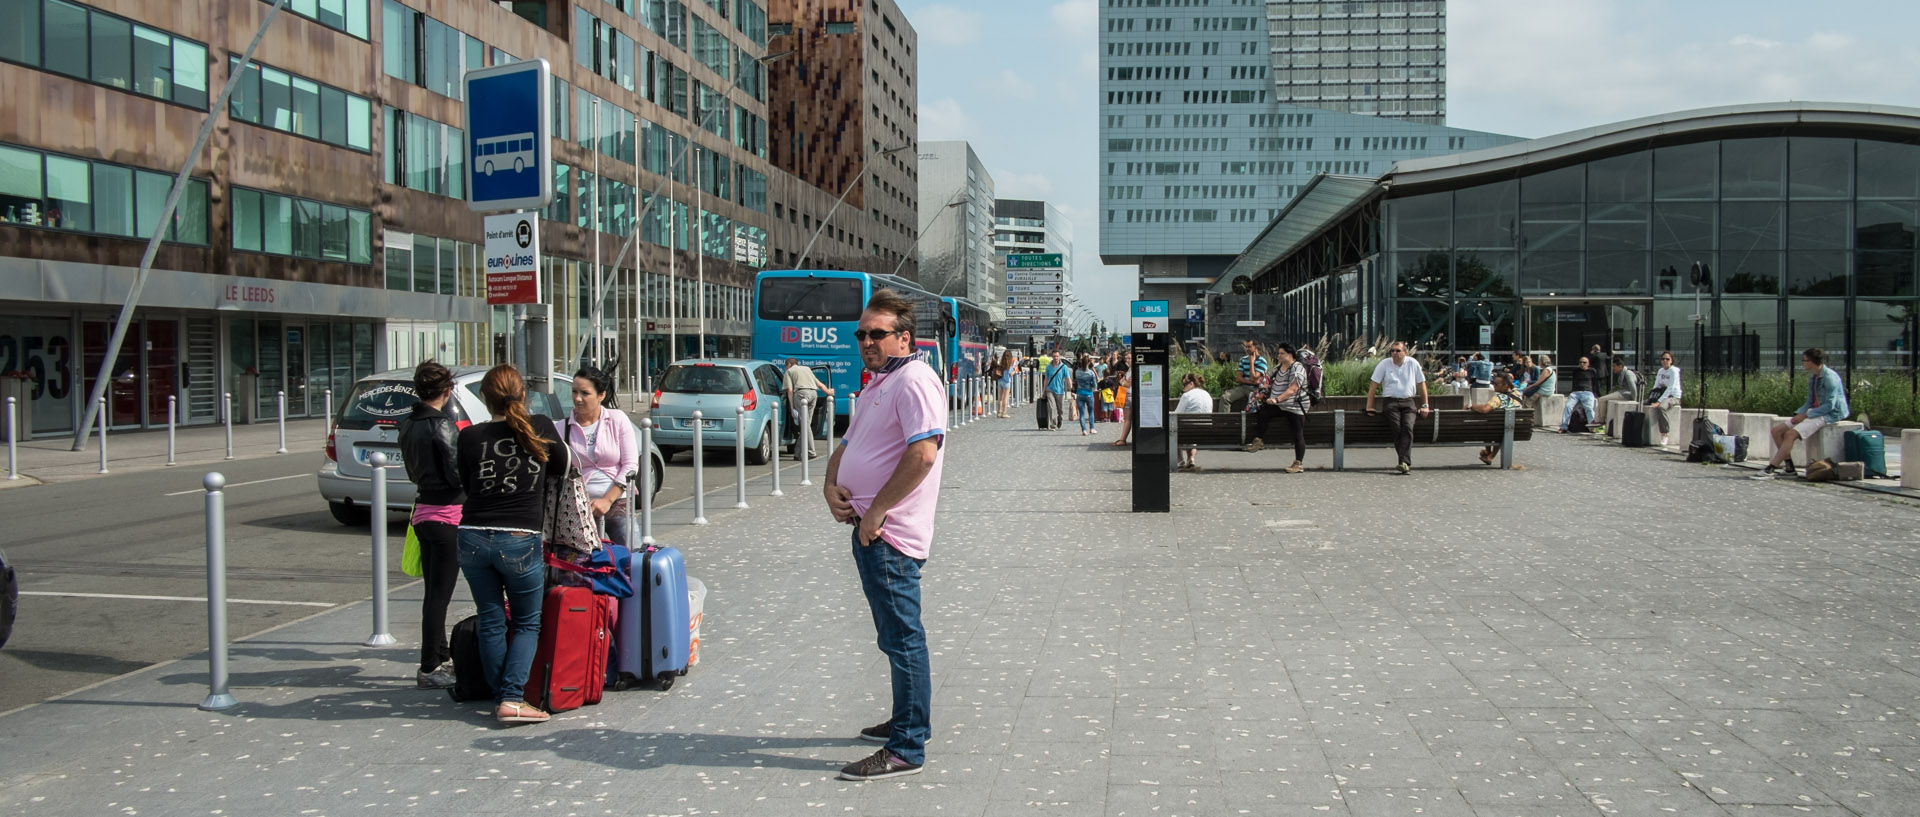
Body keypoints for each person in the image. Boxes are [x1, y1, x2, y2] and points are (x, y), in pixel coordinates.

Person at [821, 288, 946, 781]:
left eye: (877, 334)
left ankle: (907, 747)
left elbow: (923, 454)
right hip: (869, 529)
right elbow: (848, 444)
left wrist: (876, 513)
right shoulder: (878, 384)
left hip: (888, 534)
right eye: (861, 334)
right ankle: (909, 719)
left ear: (904, 338)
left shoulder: (914, 380)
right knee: (892, 636)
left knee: (902, 637)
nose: (867, 341)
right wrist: (831, 486)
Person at [455, 365, 569, 725]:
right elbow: (564, 467)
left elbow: (468, 484)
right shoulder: (540, 427)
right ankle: (511, 697)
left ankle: (498, 692)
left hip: (472, 533)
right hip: (519, 537)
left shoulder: (470, 437)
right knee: (526, 623)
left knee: (490, 619)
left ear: (484, 399)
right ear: (523, 395)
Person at [397, 360, 463, 690]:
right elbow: (456, 472)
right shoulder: (442, 425)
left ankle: (440, 654)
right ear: (447, 390)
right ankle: (430, 665)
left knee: (433, 592)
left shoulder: (408, 424)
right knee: (440, 595)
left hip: (423, 510)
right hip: (446, 513)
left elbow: (413, 470)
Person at [564, 366, 639, 546]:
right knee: (586, 562)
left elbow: (630, 465)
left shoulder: (617, 419)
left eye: (585, 393)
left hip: (617, 501)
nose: (577, 398)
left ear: (601, 395)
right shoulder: (563, 427)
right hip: (581, 506)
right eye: (574, 392)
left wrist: (607, 500)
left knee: (632, 555)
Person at [1753, 348, 1851, 479]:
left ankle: (1771, 468)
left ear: (1813, 362)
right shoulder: (1814, 376)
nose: (1803, 363)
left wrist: (1805, 415)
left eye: (1805, 360)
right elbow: (1810, 401)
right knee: (1777, 431)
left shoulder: (1830, 378)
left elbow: (1829, 405)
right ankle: (1789, 468)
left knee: (1790, 434)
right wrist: (1798, 414)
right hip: (1813, 411)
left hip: (1829, 414)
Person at [1364, 341, 1431, 475]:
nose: (1394, 353)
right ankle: (1405, 462)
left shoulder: (1412, 363)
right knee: (1397, 428)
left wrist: (1425, 405)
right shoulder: (1384, 364)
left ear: (1405, 352)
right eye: (1392, 351)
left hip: (1408, 402)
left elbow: (1422, 385)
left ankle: (1403, 462)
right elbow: (1373, 386)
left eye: (1397, 351)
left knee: (1407, 426)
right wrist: (1369, 407)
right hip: (1390, 402)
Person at [1243, 343, 1310, 474]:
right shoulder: (1278, 368)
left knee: (1298, 433)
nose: (1278, 356)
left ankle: (1298, 463)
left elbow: (1293, 389)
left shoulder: (1297, 368)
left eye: (1281, 353)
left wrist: (1277, 399)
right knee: (1263, 413)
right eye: (1278, 353)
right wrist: (1263, 393)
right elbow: (1267, 380)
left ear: (1290, 355)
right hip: (1280, 405)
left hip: (1294, 405)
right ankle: (1258, 440)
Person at [784, 358, 835, 457]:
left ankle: (811, 452)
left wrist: (791, 407)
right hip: (813, 394)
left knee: (805, 425)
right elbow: (820, 385)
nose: (785, 368)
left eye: (785, 366)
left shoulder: (789, 372)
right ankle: (798, 453)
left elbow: (790, 390)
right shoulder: (807, 369)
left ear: (789, 364)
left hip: (801, 395)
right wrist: (829, 392)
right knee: (806, 425)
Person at [1471, 372, 1526, 465]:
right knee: (1501, 427)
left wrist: (1471, 406)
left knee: (1491, 426)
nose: (1494, 385)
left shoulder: (1499, 398)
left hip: (1502, 429)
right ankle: (1490, 455)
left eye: (1496, 384)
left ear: (1505, 385)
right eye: (1493, 383)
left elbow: (1485, 409)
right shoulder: (1517, 393)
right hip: (1518, 428)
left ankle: (1489, 454)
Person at [1173, 373, 1213, 471]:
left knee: (1172, 429)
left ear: (1191, 383)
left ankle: (1180, 461)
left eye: (1184, 384)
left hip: (1189, 431)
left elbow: (1176, 414)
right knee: (1191, 429)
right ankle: (1191, 459)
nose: (1183, 387)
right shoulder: (1207, 395)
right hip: (1205, 431)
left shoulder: (1187, 396)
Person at [1648, 351, 1683, 446]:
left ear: (1671, 361)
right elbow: (1656, 386)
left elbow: (1670, 388)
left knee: (1662, 407)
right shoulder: (1660, 371)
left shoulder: (1674, 371)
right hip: (1662, 394)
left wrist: (1659, 401)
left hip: (1673, 396)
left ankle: (1665, 434)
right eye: (1663, 359)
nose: (1664, 361)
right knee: (1642, 403)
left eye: (1667, 359)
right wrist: (1652, 397)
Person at [1225, 340, 1269, 412]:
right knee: (1225, 397)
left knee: (1254, 403)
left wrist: (1252, 362)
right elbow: (1238, 378)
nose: (1247, 349)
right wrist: (1252, 382)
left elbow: (1254, 377)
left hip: (1256, 389)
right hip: (1244, 387)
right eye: (1246, 347)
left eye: (1249, 347)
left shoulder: (1262, 361)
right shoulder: (1243, 360)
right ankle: (1224, 421)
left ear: (1255, 347)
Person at [1560, 356, 1599, 433]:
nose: (1582, 364)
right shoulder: (1576, 371)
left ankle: (1591, 427)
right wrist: (1572, 391)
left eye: (1584, 362)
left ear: (1588, 364)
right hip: (1576, 392)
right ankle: (1563, 427)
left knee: (1589, 408)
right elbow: (1574, 382)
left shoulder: (1592, 371)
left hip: (1587, 392)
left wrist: (1596, 394)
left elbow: (1595, 383)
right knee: (1568, 406)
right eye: (1580, 362)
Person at [1110, 350, 1133, 446]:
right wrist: (1123, 381)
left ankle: (1123, 439)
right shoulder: (1129, 369)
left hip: (1129, 395)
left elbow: (1127, 383)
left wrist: (1122, 382)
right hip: (1127, 395)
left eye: (1129, 358)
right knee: (1127, 419)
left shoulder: (1132, 370)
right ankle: (1122, 439)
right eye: (1126, 358)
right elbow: (1124, 381)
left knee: (1127, 419)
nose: (1127, 360)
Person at [1073, 355, 1099, 435]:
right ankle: (1092, 428)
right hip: (1089, 394)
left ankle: (1084, 429)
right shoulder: (1091, 373)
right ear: (1088, 363)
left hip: (1080, 393)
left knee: (1082, 413)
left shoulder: (1077, 372)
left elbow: (1076, 381)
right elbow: (1094, 385)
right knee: (1091, 412)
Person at [1043, 353, 1069, 430]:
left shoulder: (1064, 367)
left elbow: (1067, 378)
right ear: (1052, 357)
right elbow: (1046, 379)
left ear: (1059, 356)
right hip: (1050, 389)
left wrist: (1071, 387)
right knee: (1051, 407)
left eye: (1057, 356)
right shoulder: (1048, 367)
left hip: (1060, 391)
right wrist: (1044, 391)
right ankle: (1053, 424)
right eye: (1054, 356)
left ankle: (1060, 420)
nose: (1056, 358)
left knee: (1060, 410)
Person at [993, 350, 1016, 418]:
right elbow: (1011, 374)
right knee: (1005, 398)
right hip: (1006, 382)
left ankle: (999, 412)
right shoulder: (1010, 365)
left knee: (1000, 398)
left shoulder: (1001, 363)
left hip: (1000, 381)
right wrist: (1014, 370)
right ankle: (1004, 412)